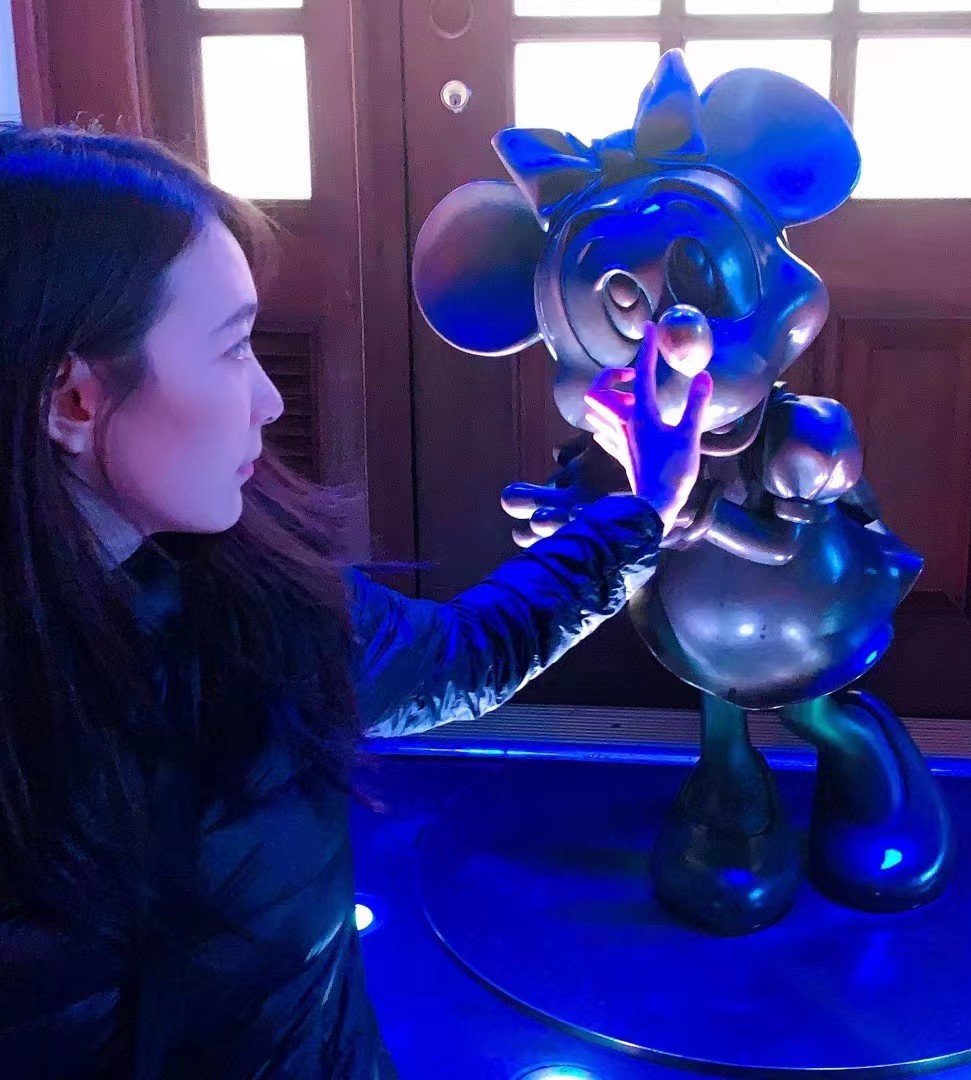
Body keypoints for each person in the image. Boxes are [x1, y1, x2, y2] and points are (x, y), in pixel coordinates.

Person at [0, 124, 712, 1078]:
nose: (270, 401)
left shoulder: (250, 600)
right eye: (231, 349)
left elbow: (467, 653)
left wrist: (642, 509)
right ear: (73, 401)